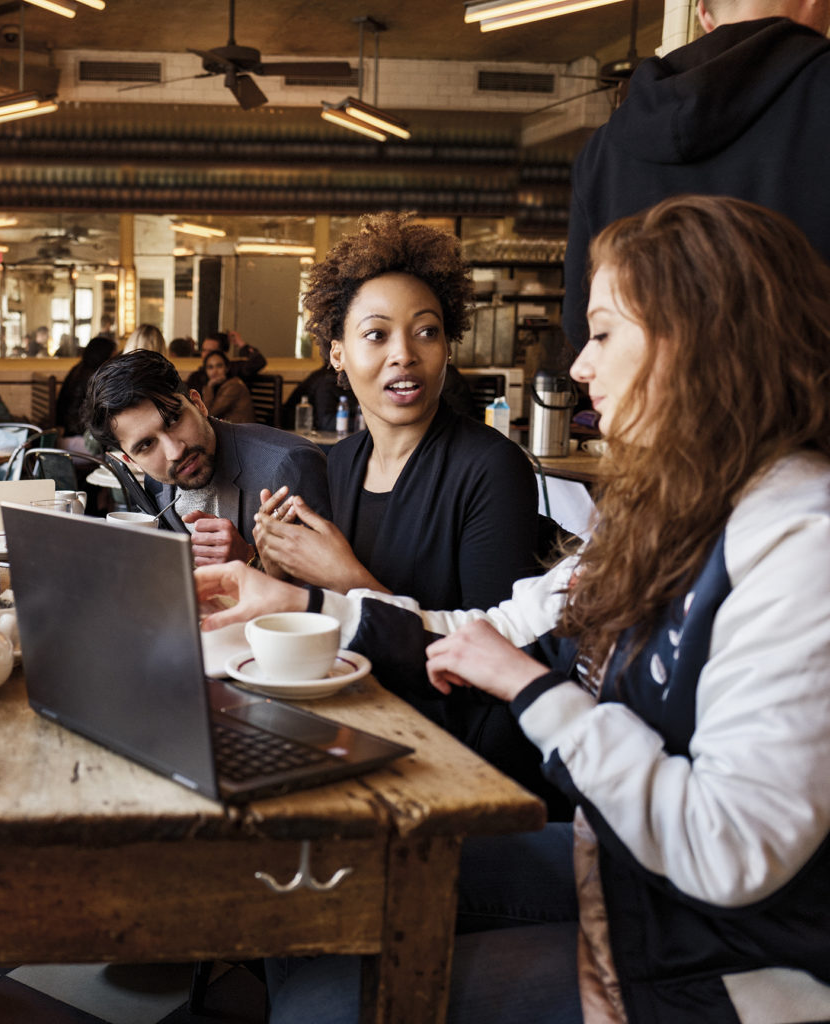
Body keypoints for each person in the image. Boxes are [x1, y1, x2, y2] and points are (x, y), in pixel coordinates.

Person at [200, 195, 830, 1024]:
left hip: (720, 959)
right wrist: (296, 598)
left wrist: (534, 691)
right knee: (312, 889)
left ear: (697, 340)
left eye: (603, 333)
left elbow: (730, 852)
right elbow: (489, 626)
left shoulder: (800, 539)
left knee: (326, 999)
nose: (578, 367)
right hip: (622, 869)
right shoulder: (675, 509)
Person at [253, 211, 548, 809]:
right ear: (336, 353)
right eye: (376, 334)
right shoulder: (337, 465)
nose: (404, 355)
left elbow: (495, 663)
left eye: (426, 332)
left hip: (450, 754)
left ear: (447, 347)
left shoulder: (492, 468)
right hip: (353, 724)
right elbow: (325, 632)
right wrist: (278, 568)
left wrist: (344, 580)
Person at [562, 0, 830, 352]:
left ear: (703, 14)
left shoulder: (604, 147)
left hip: (654, 404)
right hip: (808, 399)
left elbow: (583, 326)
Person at [83, 350, 329, 566]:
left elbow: (328, 591)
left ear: (199, 404)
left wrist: (249, 559)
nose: (175, 452)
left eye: (174, 420)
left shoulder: (289, 465)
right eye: (146, 445)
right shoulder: (157, 483)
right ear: (131, 460)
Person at [55, 334, 116, 437]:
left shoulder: (80, 369)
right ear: (103, 356)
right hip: (76, 436)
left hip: (69, 431)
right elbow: (78, 418)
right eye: (113, 356)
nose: (115, 360)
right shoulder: (92, 377)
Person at [186, 328, 266, 394]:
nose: (205, 355)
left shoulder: (234, 369)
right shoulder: (197, 376)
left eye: (211, 351)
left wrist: (240, 343)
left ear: (223, 353)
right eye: (204, 350)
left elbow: (259, 361)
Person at [199, 349, 254, 423]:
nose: (214, 371)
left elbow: (207, 413)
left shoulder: (234, 386)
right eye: (210, 367)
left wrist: (209, 386)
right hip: (232, 429)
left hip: (242, 432)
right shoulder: (224, 385)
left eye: (219, 366)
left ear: (227, 368)